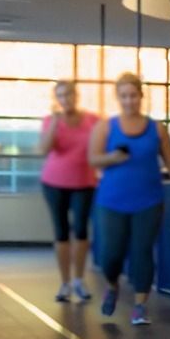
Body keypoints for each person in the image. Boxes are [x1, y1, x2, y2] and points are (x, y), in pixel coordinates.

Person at [86, 71, 170, 325]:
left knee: (142, 253)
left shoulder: (156, 128)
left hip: (148, 201)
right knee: (110, 255)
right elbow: (93, 159)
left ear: (141, 96)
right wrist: (112, 158)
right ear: (118, 97)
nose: (129, 101)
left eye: (133, 95)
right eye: (124, 96)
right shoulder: (106, 127)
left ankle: (139, 306)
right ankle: (112, 286)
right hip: (112, 201)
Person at [38, 80, 98, 303]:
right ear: (57, 99)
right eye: (61, 96)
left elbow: (101, 146)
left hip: (84, 182)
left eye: (69, 94)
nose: (66, 99)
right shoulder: (49, 121)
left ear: (76, 95)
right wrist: (55, 123)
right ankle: (64, 283)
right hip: (54, 182)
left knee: (81, 230)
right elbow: (44, 149)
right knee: (61, 231)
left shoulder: (92, 120)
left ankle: (79, 281)